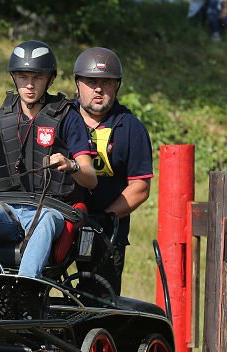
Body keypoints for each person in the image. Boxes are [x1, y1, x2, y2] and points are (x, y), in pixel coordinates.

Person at [0, 40, 97, 279]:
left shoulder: (69, 118)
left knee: (45, 220)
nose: (29, 85)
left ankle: (26, 288)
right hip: (7, 210)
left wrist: (71, 165)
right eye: (22, 77)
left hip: (52, 209)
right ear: (14, 78)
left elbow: (91, 179)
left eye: (38, 78)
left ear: (50, 80)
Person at [71, 47, 154, 297]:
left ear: (117, 86)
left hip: (107, 235)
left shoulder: (132, 127)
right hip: (58, 226)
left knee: (99, 306)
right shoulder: (59, 117)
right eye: (91, 81)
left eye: (106, 82)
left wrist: (103, 218)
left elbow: (140, 188)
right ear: (77, 84)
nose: (98, 89)